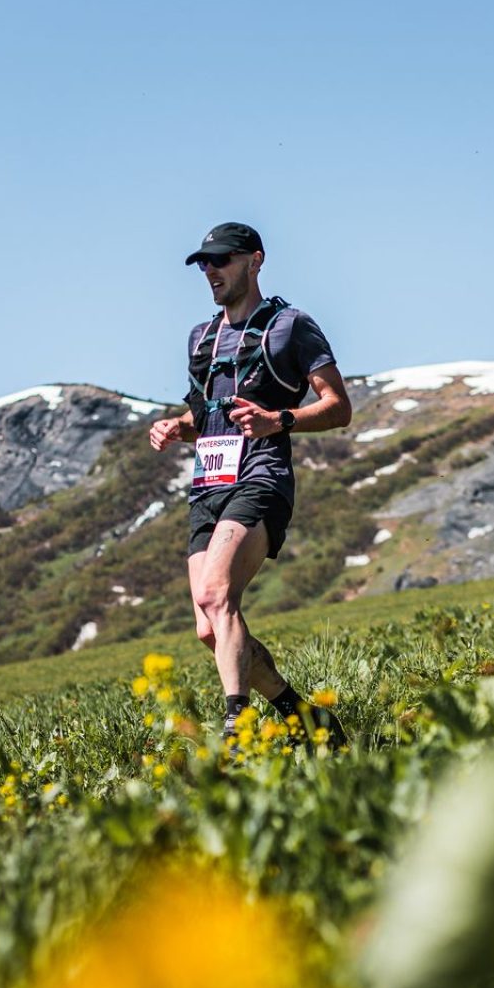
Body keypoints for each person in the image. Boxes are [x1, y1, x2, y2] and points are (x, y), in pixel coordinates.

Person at [147, 222, 353, 739]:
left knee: (218, 594)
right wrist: (179, 427)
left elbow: (338, 407)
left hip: (262, 474)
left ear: (254, 261)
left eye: (221, 260)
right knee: (207, 625)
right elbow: (208, 416)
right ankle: (304, 717)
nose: (210, 271)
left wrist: (278, 420)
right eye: (203, 263)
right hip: (208, 484)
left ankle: (237, 728)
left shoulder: (291, 326)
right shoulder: (201, 338)